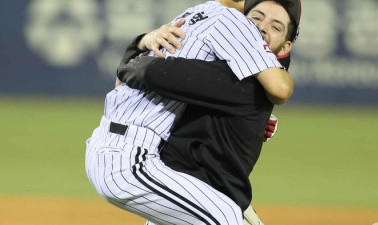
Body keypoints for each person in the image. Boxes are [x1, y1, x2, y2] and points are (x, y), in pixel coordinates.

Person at [85, 0, 299, 224]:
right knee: (224, 216)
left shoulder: (194, 14)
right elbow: (280, 87)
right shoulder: (233, 22)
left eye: (275, 26)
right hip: (131, 159)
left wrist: (139, 45)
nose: (260, 27)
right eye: (256, 17)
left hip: (122, 148)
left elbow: (123, 80)